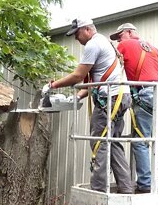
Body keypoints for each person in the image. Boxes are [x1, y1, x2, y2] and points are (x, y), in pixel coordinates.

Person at [42, 18, 133, 194]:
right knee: (113, 143)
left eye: (77, 34)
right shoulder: (105, 42)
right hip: (121, 96)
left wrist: (52, 85)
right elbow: (98, 81)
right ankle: (126, 187)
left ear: (87, 30)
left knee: (99, 144)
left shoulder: (93, 44)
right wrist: (77, 96)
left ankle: (98, 190)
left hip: (109, 100)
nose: (76, 38)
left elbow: (78, 76)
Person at [109, 23, 158, 193]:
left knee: (141, 141)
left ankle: (144, 184)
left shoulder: (124, 45)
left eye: (120, 36)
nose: (118, 41)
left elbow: (112, 66)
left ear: (129, 33)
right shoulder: (150, 47)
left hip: (148, 94)